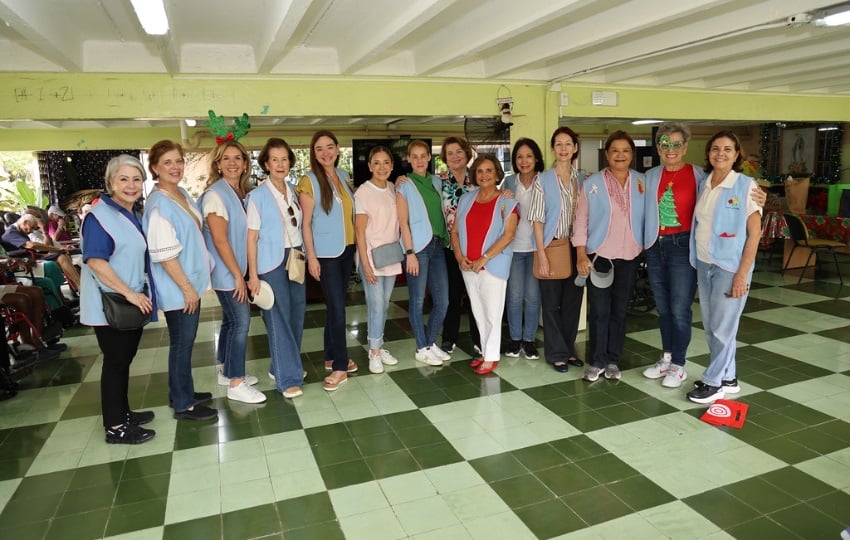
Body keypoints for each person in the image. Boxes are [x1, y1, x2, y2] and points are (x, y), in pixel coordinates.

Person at [643, 124, 766, 389]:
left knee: (680, 310)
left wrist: (759, 197)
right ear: (658, 148)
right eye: (665, 144)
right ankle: (669, 358)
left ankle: (680, 364)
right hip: (661, 247)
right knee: (664, 308)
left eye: (677, 144)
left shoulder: (700, 176)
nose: (671, 149)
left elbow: (752, 223)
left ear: (686, 147)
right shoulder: (652, 176)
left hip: (685, 248)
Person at [80, 154, 156, 444]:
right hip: (111, 305)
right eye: (123, 179)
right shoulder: (99, 216)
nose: (131, 185)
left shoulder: (129, 213)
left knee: (123, 360)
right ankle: (115, 428)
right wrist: (131, 294)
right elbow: (96, 262)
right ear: (110, 182)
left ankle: (123, 413)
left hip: (127, 302)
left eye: (136, 179)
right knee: (115, 362)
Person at [143, 140, 217, 420]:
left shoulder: (180, 193)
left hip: (189, 283)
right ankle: (184, 404)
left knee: (183, 341)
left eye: (178, 161)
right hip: (179, 288)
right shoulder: (160, 204)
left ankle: (181, 391)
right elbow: (163, 254)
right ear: (155, 168)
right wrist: (187, 289)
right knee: (182, 343)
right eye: (167, 163)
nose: (175, 167)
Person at [686, 131, 762, 403]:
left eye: (727, 149)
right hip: (705, 263)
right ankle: (728, 376)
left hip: (729, 267)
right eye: (716, 148)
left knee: (722, 327)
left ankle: (713, 382)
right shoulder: (704, 183)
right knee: (714, 325)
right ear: (708, 153)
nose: (721, 153)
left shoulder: (746, 185)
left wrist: (742, 273)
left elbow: (755, 234)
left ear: (736, 154)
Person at [574, 131, 645, 382]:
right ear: (607, 154)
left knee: (619, 311)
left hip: (629, 255)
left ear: (631, 155)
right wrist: (581, 254)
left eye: (625, 150)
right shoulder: (592, 184)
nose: (620, 155)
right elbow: (581, 219)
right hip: (599, 256)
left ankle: (613, 359)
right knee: (599, 311)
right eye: (615, 150)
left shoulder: (641, 182)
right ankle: (597, 360)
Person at [199, 140, 266, 404]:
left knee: (230, 321)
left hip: (234, 269)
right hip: (228, 272)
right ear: (217, 164)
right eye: (226, 158)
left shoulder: (239, 191)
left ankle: (227, 371)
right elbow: (220, 240)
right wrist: (240, 275)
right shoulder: (216, 195)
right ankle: (236, 383)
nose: (232, 163)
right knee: (240, 323)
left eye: (237, 158)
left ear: (245, 163)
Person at [298, 130, 358, 392]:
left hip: (346, 249)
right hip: (325, 254)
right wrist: (311, 256)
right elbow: (306, 223)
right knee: (338, 308)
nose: (326, 153)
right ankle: (340, 366)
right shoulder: (308, 181)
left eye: (330, 147)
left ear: (337, 148)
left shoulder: (344, 176)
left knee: (336, 306)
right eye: (319, 148)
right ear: (313, 152)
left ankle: (331, 356)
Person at [246, 138, 306, 399]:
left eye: (284, 159)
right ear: (266, 164)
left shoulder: (293, 191)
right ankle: (287, 377)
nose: (280, 164)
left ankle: (279, 365)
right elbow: (251, 238)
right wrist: (253, 275)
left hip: (296, 257)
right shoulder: (257, 197)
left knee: (297, 314)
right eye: (275, 160)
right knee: (278, 318)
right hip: (270, 262)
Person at [451, 154, 518, 375]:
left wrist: (484, 258)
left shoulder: (507, 201)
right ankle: (484, 352)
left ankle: (491, 357)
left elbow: (508, 235)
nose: (484, 175)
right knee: (478, 311)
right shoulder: (466, 199)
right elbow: (455, 231)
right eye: (480, 171)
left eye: (489, 170)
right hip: (468, 266)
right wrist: (460, 257)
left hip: (493, 265)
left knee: (492, 313)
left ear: (498, 173)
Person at [528, 127, 585, 373]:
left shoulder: (582, 179)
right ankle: (556, 353)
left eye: (568, 144)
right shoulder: (543, 180)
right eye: (558, 144)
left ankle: (568, 349)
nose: (563, 148)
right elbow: (537, 219)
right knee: (551, 304)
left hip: (577, 247)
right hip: (551, 245)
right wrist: (541, 253)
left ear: (575, 148)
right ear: (553, 149)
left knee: (573, 302)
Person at [397, 140, 451, 367]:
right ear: (408, 159)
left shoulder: (437, 182)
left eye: (423, 156)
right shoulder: (404, 185)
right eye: (414, 156)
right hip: (418, 249)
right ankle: (421, 347)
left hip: (438, 246)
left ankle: (429, 343)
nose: (419, 160)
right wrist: (409, 252)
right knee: (418, 301)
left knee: (443, 301)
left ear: (430, 157)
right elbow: (403, 222)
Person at [354, 146, 401, 374]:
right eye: (377, 163)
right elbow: (359, 232)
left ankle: (379, 345)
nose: (382, 167)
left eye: (386, 163)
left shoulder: (393, 188)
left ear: (392, 166)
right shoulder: (363, 192)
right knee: (375, 305)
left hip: (390, 256)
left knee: (384, 305)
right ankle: (373, 352)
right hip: (371, 257)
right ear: (370, 166)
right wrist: (365, 264)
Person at [501, 138, 544, 359]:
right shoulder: (509, 183)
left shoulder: (544, 181)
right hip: (514, 249)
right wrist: (503, 198)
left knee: (533, 297)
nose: (524, 161)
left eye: (528, 156)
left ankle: (529, 340)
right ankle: (515, 338)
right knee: (515, 296)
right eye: (519, 157)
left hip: (537, 249)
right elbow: (499, 212)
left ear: (536, 158)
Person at [438, 136, 480, 354]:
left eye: (459, 151)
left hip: (475, 248)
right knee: (451, 296)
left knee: (475, 295)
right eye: (450, 153)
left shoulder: (479, 180)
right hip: (449, 249)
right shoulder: (439, 181)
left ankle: (479, 339)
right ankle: (449, 338)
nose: (455, 156)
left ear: (467, 154)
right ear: (445, 158)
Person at [3, 214, 81, 289]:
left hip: (30, 257)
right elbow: (31, 246)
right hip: (23, 263)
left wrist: (45, 254)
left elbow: (29, 249)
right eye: (31, 227)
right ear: (25, 222)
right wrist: (57, 249)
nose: (31, 231)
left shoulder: (19, 231)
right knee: (61, 257)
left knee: (63, 254)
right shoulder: (11, 232)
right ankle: (79, 285)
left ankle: (77, 285)